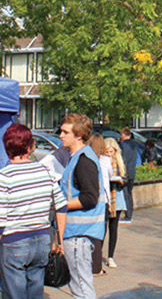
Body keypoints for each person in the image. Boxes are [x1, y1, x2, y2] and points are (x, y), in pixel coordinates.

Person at [0, 124, 68, 299]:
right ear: (29, 146)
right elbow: (61, 205)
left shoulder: (5, 176)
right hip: (41, 239)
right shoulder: (45, 172)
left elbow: (1, 216)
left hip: (14, 240)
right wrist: (60, 240)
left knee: (14, 293)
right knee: (35, 291)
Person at [59, 114, 106, 299]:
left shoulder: (84, 160)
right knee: (80, 285)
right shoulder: (79, 157)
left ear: (79, 136)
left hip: (79, 234)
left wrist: (60, 205)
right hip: (78, 233)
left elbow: (89, 198)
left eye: (65, 132)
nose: (61, 135)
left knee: (81, 288)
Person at [88, 134, 110, 277]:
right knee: (99, 233)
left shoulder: (87, 159)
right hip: (104, 199)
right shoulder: (105, 160)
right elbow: (111, 173)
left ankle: (90, 263)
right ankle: (96, 267)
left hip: (91, 199)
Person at [103, 138, 127, 270]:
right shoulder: (102, 162)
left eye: (111, 151)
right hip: (107, 197)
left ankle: (111, 256)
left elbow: (125, 179)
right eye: (106, 151)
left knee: (113, 228)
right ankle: (97, 253)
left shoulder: (119, 163)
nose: (109, 154)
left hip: (116, 197)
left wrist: (121, 181)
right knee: (103, 227)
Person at [119, 127, 139, 223]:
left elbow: (123, 159)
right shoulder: (135, 144)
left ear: (123, 135)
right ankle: (130, 214)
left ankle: (127, 216)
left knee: (125, 194)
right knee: (129, 194)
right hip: (132, 172)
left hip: (125, 172)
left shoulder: (123, 145)